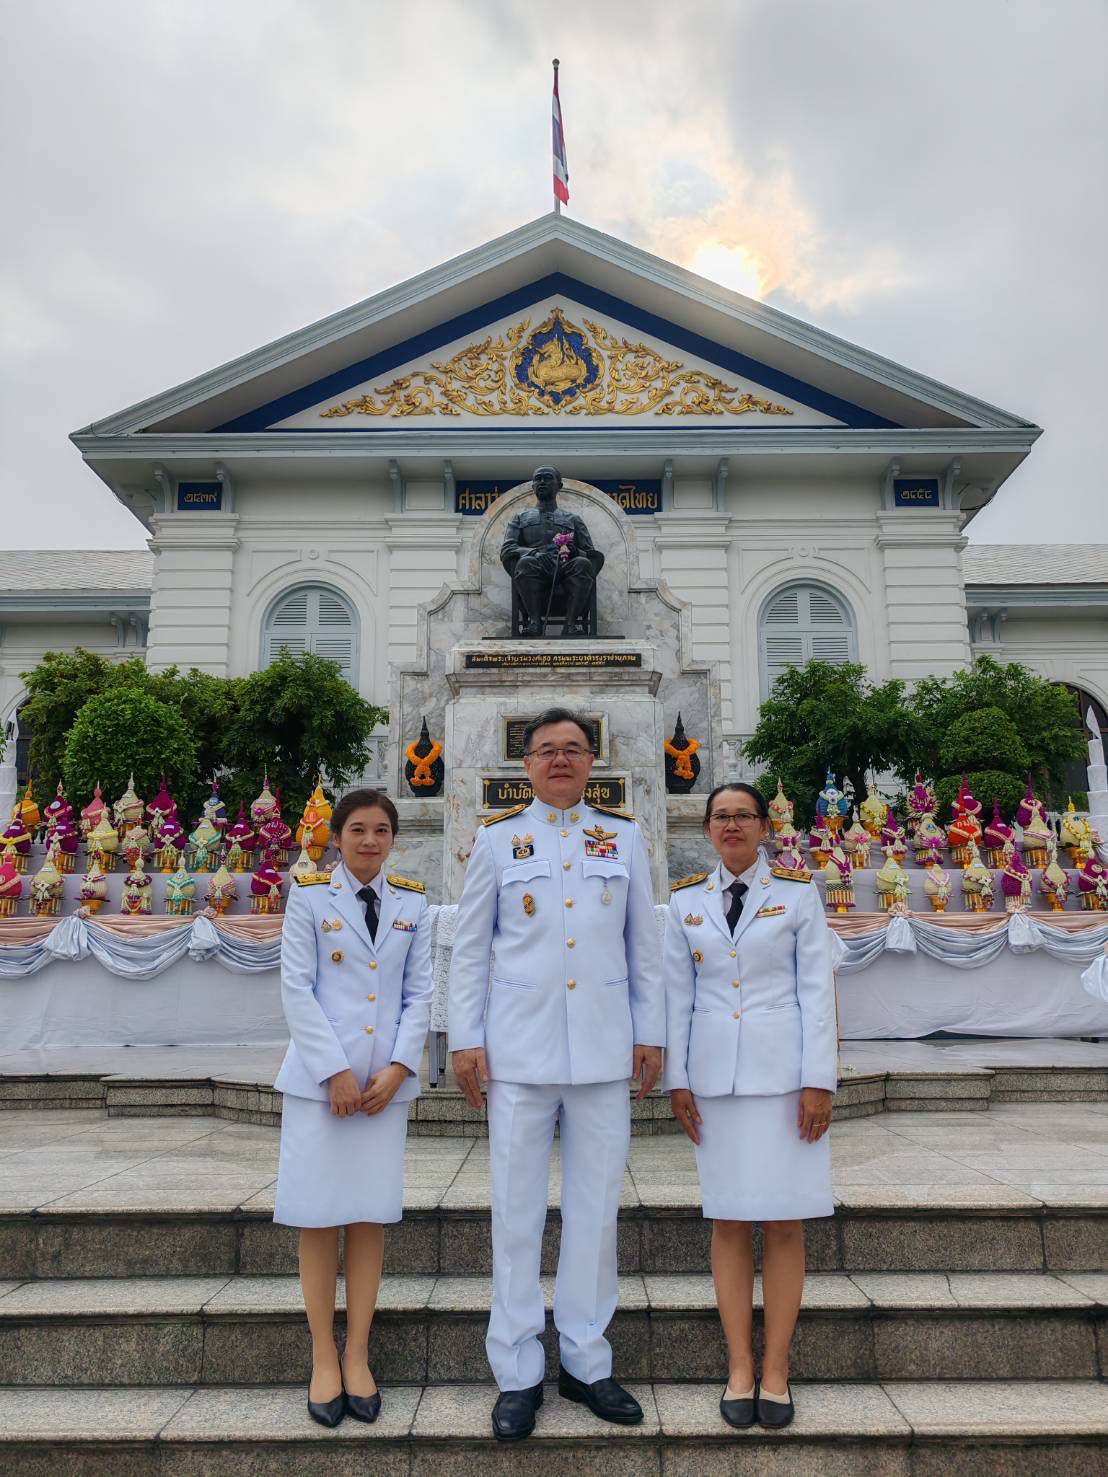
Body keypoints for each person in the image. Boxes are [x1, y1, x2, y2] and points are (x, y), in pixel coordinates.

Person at [449, 707, 664, 1441]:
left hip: (603, 1049)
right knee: (515, 1213)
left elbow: (643, 944)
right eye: (547, 749)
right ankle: (516, 1370)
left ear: (592, 761)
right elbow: (471, 947)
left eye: (573, 748)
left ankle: (586, 1360)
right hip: (519, 1050)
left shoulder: (624, 836)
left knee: (595, 1210)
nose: (561, 759)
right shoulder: (497, 839)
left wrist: (651, 1032)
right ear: (528, 764)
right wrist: (465, 1038)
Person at [664, 782, 837, 1431]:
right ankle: (740, 1364)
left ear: (765, 826)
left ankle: (777, 1368)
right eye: (720, 816)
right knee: (730, 1220)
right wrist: (678, 1079)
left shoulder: (797, 893)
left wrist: (819, 1080)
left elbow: (817, 991)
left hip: (787, 1082)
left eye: (742, 815)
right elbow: (677, 996)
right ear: (708, 828)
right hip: (716, 1084)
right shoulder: (686, 900)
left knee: (785, 1222)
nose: (731, 825)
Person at [273, 788, 432, 1428]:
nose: (370, 841)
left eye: (381, 830)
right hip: (322, 1087)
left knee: (368, 1217)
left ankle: (358, 1352)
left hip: (381, 1091)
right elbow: (297, 988)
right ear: (336, 837)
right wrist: (334, 1071)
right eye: (358, 829)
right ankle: (322, 1355)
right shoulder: (310, 896)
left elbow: (420, 994)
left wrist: (399, 1068)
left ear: (393, 838)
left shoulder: (413, 903)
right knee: (318, 1217)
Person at [500, 465, 603, 637]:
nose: (542, 482)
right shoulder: (520, 519)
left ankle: (570, 625)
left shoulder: (573, 519)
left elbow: (591, 554)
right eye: (538, 479)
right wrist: (534, 553)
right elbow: (508, 549)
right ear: (533, 486)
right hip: (535, 567)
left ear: (559, 485)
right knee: (525, 563)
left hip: (565, 567)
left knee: (583, 564)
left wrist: (575, 552)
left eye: (547, 478)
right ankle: (535, 623)